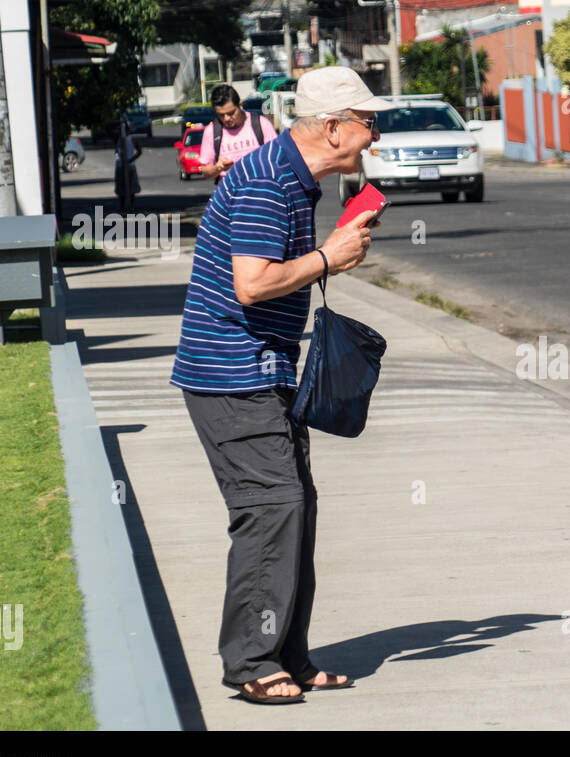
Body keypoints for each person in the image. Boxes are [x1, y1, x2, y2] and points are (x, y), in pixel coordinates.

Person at [169, 66, 394, 704]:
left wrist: (331, 249)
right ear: (332, 127)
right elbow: (254, 283)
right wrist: (330, 258)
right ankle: (250, 662)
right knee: (272, 509)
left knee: (297, 508)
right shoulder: (271, 182)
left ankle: (287, 654)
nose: (373, 136)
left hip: (260, 370)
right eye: (367, 122)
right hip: (229, 373)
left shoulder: (294, 177)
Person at [198, 84, 279, 184]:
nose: (226, 118)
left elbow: (278, 159)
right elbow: (205, 172)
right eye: (221, 115)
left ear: (240, 104)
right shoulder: (211, 131)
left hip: (262, 190)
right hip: (230, 195)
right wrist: (218, 167)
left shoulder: (261, 124)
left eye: (231, 113)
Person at [114, 119, 142, 211]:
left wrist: (130, 160)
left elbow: (139, 151)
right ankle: (122, 206)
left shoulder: (131, 139)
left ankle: (131, 205)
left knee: (132, 187)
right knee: (121, 188)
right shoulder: (118, 139)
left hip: (130, 165)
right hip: (120, 165)